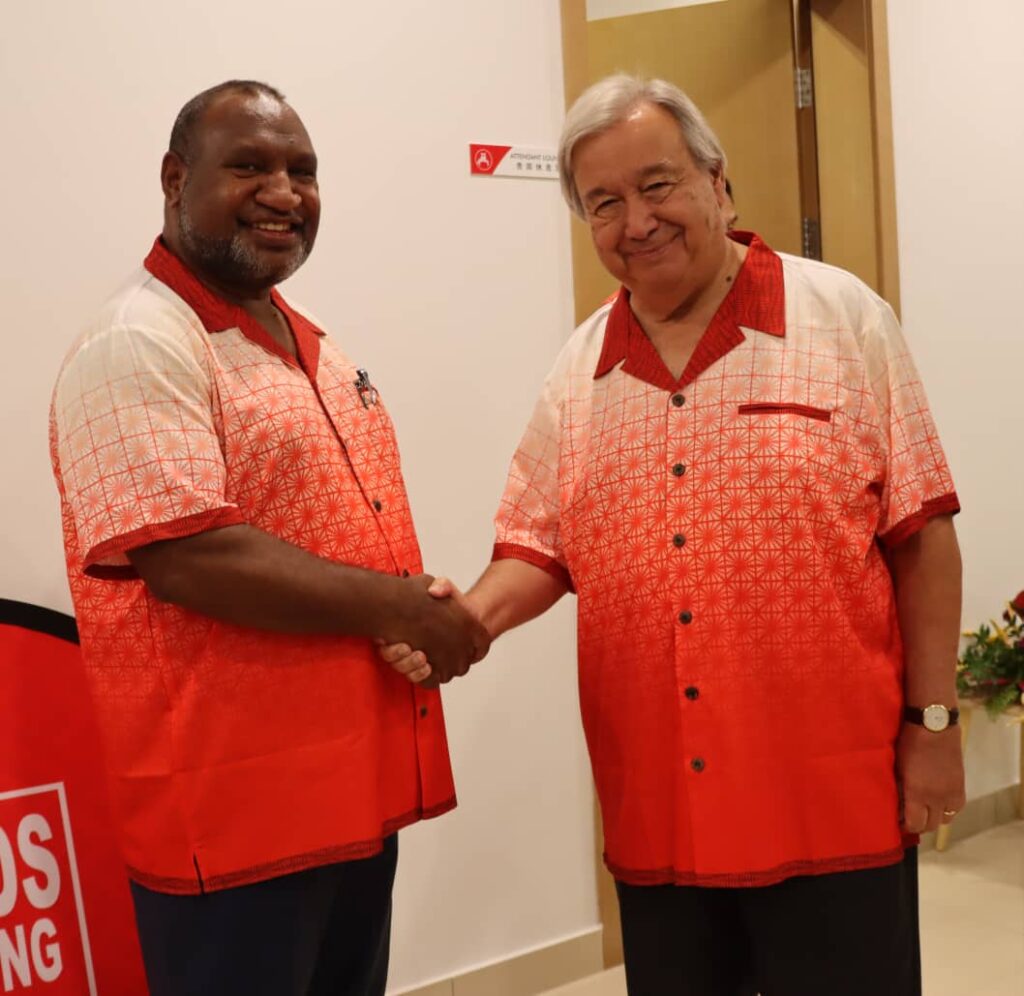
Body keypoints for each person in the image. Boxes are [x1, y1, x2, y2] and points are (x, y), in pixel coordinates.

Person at [381, 74, 965, 996]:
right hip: (661, 807)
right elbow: (537, 546)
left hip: (829, 797)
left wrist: (933, 726)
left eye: (657, 185)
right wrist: (464, 622)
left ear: (717, 184)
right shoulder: (582, 369)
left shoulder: (843, 318)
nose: (636, 221)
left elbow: (923, 535)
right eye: (603, 204)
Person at [49, 79, 488, 996]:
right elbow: (188, 556)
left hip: (348, 794)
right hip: (235, 814)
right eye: (249, 165)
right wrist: (402, 605)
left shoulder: (302, 336)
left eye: (303, 170)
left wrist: (409, 612)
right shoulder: (138, 340)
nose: (284, 192)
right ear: (175, 179)